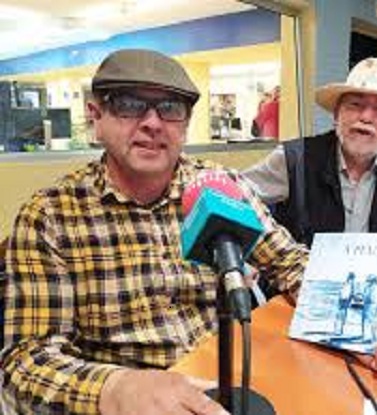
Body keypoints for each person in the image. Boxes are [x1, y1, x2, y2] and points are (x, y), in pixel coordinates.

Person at [0, 49, 308, 415]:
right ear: (96, 117)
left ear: (185, 123)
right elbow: (26, 361)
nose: (152, 123)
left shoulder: (220, 187)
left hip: (227, 383)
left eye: (170, 108)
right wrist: (114, 388)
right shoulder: (49, 217)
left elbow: (291, 262)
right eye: (129, 105)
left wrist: (358, 321)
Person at [243, 57, 377, 247]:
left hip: (376, 271)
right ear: (337, 113)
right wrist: (261, 248)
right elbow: (234, 198)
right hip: (303, 272)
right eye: (355, 105)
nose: (366, 117)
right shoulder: (295, 158)